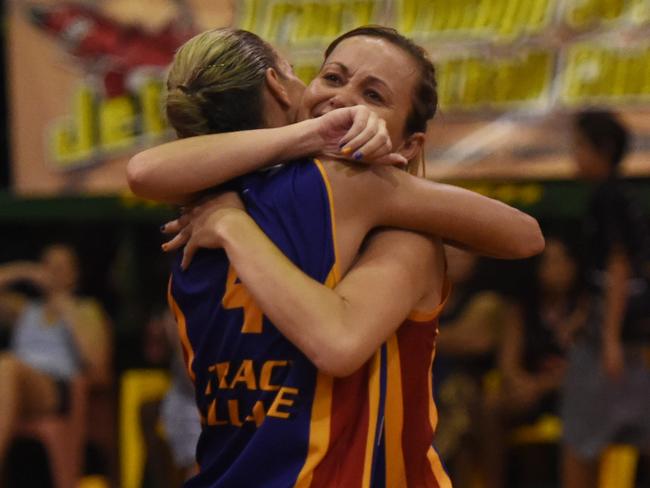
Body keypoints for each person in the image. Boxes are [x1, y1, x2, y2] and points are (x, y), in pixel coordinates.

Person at [128, 27, 544, 486]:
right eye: (332, 77)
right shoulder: (343, 186)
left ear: (409, 144)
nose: (343, 101)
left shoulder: (197, 204)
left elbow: (144, 171)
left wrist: (233, 224)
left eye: (372, 94)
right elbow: (523, 236)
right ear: (280, 86)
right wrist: (313, 140)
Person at [561, 110, 650, 488]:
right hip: (615, 334)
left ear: (604, 149)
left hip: (613, 343)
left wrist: (610, 340)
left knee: (581, 444)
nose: (575, 155)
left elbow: (617, 266)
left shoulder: (609, 197)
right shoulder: (617, 196)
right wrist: (580, 316)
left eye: (580, 146)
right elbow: (600, 274)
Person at [0, 244, 111, 476]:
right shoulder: (26, 309)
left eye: (60, 267)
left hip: (57, 388)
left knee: (8, 365)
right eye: (47, 266)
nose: (53, 272)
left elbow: (99, 369)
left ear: (75, 274)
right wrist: (24, 271)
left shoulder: (87, 309)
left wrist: (67, 311)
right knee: (8, 369)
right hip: (16, 387)